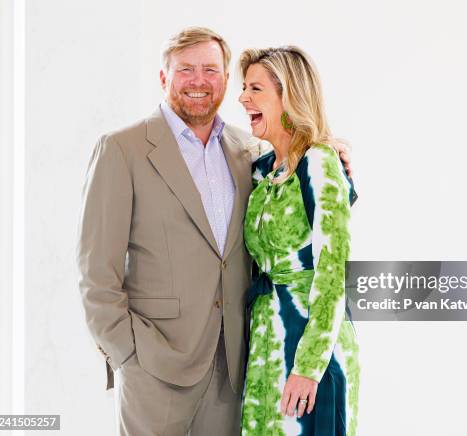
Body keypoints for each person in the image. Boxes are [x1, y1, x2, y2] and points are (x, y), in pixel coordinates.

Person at [76, 27, 352, 436]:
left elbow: (302, 208)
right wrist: (126, 354)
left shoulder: (252, 153)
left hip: (236, 369)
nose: (199, 81)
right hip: (154, 369)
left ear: (224, 79)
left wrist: (335, 160)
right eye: (185, 69)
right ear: (163, 77)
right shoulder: (122, 149)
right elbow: (96, 271)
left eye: (211, 69)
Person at [239, 46, 360, 435]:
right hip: (266, 346)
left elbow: (332, 270)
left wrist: (308, 367)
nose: (243, 98)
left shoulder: (320, 161)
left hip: (311, 350)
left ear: (287, 96)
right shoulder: (261, 171)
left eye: (255, 89)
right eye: (244, 87)